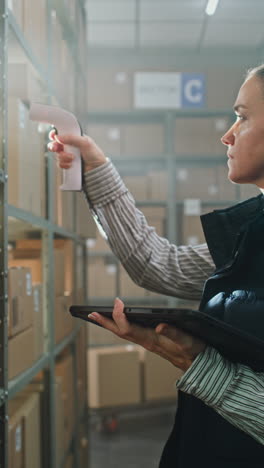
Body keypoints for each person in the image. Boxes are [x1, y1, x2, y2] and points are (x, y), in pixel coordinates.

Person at [48, 66, 264, 467]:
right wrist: (96, 168)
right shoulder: (251, 230)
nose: (228, 134)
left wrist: (199, 365)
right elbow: (159, 265)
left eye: (243, 116)